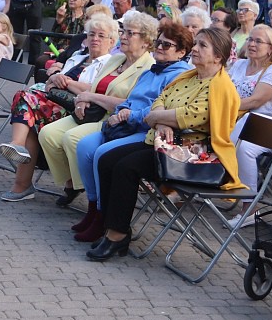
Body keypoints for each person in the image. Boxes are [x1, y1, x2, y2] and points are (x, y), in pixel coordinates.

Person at [87, 27, 242, 261]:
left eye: (202, 46)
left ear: (218, 57)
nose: (195, 49)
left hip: (196, 155)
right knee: (109, 159)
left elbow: (191, 115)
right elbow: (161, 100)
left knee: (126, 167)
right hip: (167, 143)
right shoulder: (189, 76)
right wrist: (161, 122)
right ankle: (112, 228)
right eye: (196, 43)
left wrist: (159, 118)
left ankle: (117, 236)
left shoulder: (221, 87)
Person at [70, 23, 194, 241]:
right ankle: (94, 208)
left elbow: (159, 107)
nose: (160, 47)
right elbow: (130, 99)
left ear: (181, 52)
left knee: (102, 153)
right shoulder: (149, 71)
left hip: (146, 129)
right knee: (84, 146)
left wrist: (129, 115)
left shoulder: (179, 75)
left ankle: (104, 216)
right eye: (159, 42)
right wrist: (119, 111)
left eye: (167, 44)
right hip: (125, 124)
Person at [38, 11, 158, 210]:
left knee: (73, 138)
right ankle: (73, 184)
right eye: (123, 32)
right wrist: (81, 102)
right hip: (92, 113)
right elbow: (93, 88)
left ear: (145, 41)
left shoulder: (148, 67)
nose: (124, 36)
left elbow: (129, 103)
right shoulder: (115, 60)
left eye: (130, 33)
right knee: (47, 134)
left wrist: (91, 97)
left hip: (115, 120)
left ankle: (94, 201)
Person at [0, 16, 121, 201]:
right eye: (92, 34)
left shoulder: (110, 64)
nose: (95, 38)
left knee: (25, 100)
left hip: (78, 111)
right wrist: (54, 78)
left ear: (112, 41)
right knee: (28, 110)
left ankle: (19, 156)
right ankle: (22, 182)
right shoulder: (76, 57)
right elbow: (50, 85)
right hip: (51, 104)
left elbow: (96, 90)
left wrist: (67, 83)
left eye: (101, 35)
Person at [226, 24, 272, 226]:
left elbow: (256, 101)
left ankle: (249, 207)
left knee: (241, 147)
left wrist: (224, 110)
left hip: (263, 125)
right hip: (235, 119)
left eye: (258, 41)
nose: (252, 44)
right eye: (250, 39)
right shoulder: (239, 65)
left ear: (270, 48)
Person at [34, 0, 90, 81]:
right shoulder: (64, 15)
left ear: (83, 2)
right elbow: (55, 38)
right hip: (57, 51)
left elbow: (81, 40)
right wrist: (59, 20)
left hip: (74, 53)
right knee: (40, 61)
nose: (71, 0)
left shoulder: (86, 19)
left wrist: (65, 50)